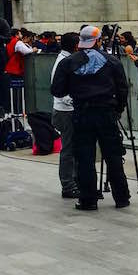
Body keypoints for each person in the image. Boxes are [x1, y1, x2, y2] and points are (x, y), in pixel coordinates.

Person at [51, 24, 130, 210]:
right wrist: (118, 109)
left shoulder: (68, 63)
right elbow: (122, 89)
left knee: (84, 157)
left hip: (82, 114)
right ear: (99, 41)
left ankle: (88, 199)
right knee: (113, 155)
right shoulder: (111, 61)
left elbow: (57, 90)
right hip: (106, 113)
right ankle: (122, 197)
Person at [50, 32, 80, 199]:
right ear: (75, 46)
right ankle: (68, 184)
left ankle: (73, 181)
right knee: (68, 148)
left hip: (65, 109)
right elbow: (58, 89)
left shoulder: (65, 59)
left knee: (72, 147)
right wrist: (76, 100)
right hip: (65, 111)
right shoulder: (63, 61)